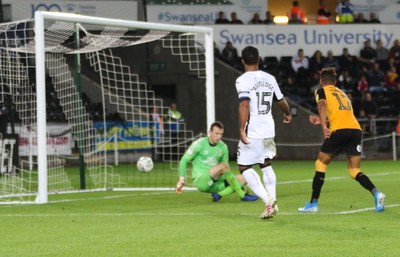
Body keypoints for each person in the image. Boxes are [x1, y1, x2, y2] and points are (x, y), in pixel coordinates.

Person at [298, 67, 385, 213]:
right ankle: (377, 193)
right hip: (356, 130)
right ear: (335, 82)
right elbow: (340, 115)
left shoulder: (321, 91)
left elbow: (322, 104)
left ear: (321, 81)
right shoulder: (343, 94)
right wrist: (321, 120)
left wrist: (324, 125)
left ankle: (313, 204)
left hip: (339, 131)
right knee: (354, 170)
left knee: (320, 163)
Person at [235, 46, 292, 219]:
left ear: (243, 61)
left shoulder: (242, 80)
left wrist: (241, 129)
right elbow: (280, 100)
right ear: (259, 59)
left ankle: (267, 200)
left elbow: (244, 104)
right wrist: (288, 113)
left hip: (253, 130)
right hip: (269, 129)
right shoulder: (270, 78)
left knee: (244, 166)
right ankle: (272, 201)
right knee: (266, 164)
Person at [175, 121, 258, 202]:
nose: (219, 136)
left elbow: (226, 170)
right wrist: (181, 178)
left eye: (221, 134)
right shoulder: (199, 144)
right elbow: (184, 160)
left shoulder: (223, 147)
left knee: (246, 177)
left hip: (216, 183)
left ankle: (218, 195)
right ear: (210, 132)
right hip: (201, 181)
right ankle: (242, 195)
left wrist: (234, 182)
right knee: (224, 166)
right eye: (216, 133)